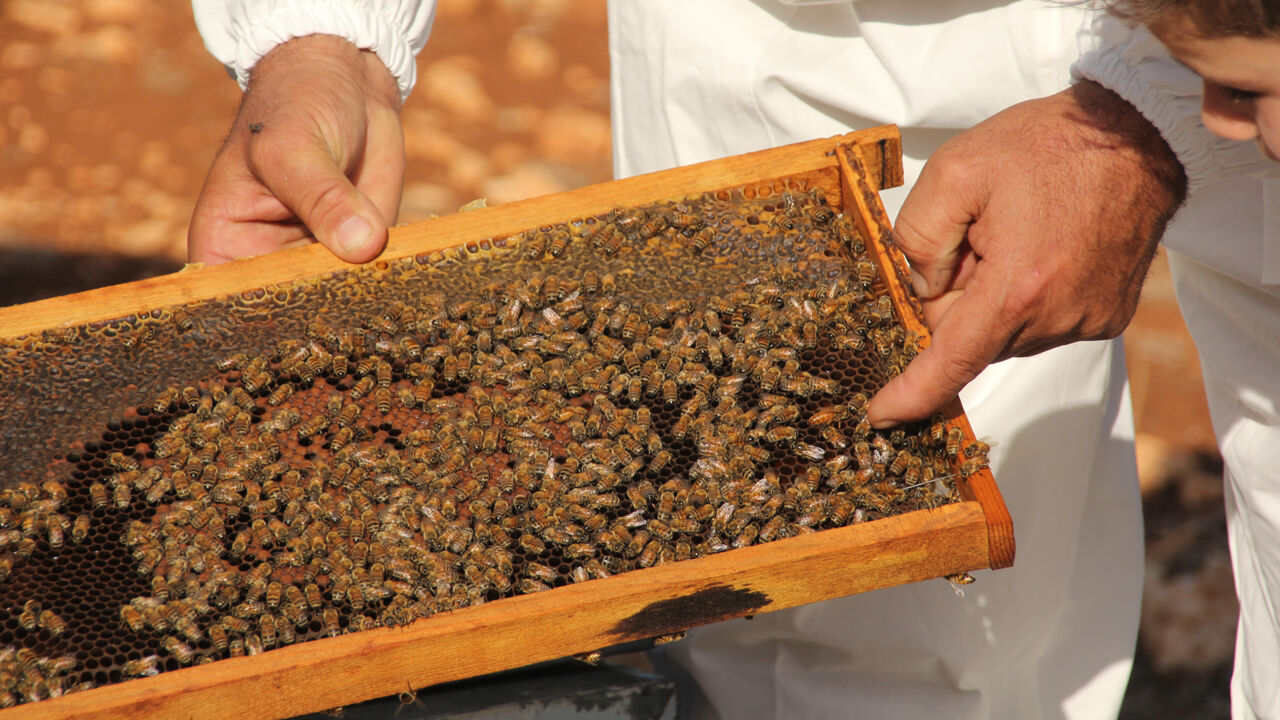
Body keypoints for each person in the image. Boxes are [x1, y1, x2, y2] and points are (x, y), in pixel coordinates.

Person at [185, 1, 1265, 717]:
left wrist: (1143, 112)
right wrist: (321, 34)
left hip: (1074, 30)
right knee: (736, 573)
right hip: (749, 33)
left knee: (956, 640)